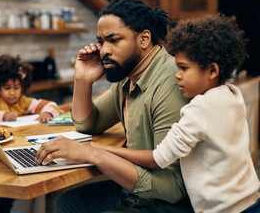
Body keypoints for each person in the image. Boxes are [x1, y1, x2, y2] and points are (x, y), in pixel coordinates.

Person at [89, 14, 260, 212]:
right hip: (251, 200)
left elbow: (158, 158)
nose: (176, 75)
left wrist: (99, 151)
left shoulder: (199, 109)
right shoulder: (232, 95)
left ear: (212, 71)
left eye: (184, 68)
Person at [36, 0, 192, 212]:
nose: (103, 50)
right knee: (67, 204)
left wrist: (92, 153)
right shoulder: (128, 75)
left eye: (114, 40)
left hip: (167, 201)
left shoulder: (170, 81)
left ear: (144, 39)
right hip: (138, 186)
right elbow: (89, 124)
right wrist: (82, 80)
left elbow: (173, 188)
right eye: (101, 42)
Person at [0, 54, 62, 122]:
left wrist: (47, 113)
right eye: (7, 88)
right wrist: (3, 115)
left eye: (16, 87)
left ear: (22, 87)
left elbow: (51, 104)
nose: (12, 92)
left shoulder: (23, 101)